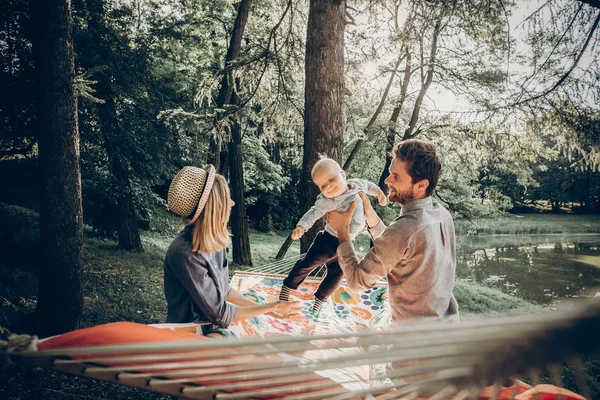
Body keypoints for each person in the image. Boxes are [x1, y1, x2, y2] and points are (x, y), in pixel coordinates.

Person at [327, 139, 459, 322]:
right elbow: (401, 250)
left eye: (396, 177)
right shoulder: (442, 215)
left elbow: (357, 281)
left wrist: (342, 231)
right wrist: (372, 219)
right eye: (390, 174)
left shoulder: (405, 229)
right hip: (445, 330)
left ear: (421, 185)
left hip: (411, 342)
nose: (387, 181)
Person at [164, 165, 303, 337]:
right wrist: (271, 307)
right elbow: (221, 314)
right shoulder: (185, 253)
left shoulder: (216, 239)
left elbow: (224, 290)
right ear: (216, 207)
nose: (232, 203)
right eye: (227, 198)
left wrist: (265, 309)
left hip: (211, 325)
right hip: (190, 332)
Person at [279, 157, 387, 315]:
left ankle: (320, 299)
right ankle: (288, 287)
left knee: (337, 274)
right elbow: (314, 212)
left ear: (343, 175)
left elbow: (369, 186)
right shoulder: (326, 201)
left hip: (348, 244)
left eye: (331, 179)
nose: (328, 186)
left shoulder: (357, 185)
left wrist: (379, 193)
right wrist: (302, 226)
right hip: (327, 241)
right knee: (307, 264)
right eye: (323, 185)